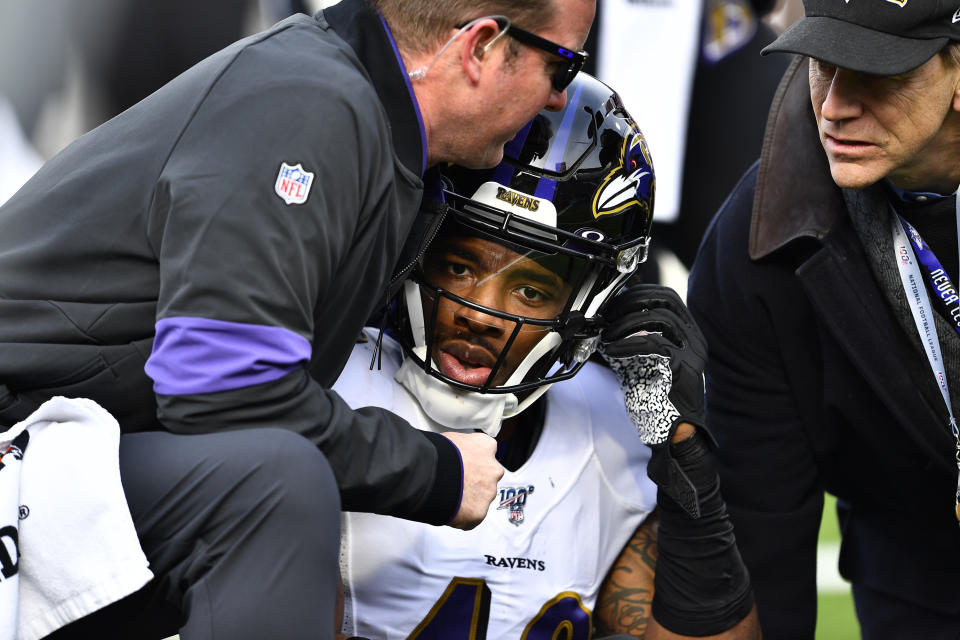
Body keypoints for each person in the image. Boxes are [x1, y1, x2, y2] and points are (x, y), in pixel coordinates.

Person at [0, 0, 596, 637]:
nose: (561, 99)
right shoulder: (313, 102)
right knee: (273, 488)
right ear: (479, 47)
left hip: (55, 452)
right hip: (22, 447)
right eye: (562, 67)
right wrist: (437, 472)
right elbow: (223, 392)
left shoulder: (356, 102)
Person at [334, 73, 759, 639]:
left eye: (531, 290)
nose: (482, 313)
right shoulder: (332, 393)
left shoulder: (610, 431)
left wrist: (688, 468)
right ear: (414, 247)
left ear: (591, 302)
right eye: (460, 266)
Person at [687, 1, 960, 638]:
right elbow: (760, 527)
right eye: (822, 64)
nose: (834, 107)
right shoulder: (757, 240)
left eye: (875, 73)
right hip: (916, 578)